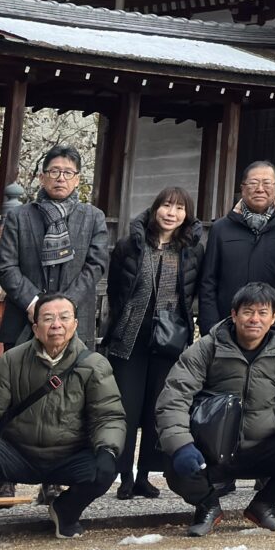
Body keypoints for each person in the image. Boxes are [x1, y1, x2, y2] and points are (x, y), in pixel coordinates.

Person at [0, 293, 124, 550]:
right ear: (35, 327)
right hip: (18, 453)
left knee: (107, 465)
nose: (56, 324)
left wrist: (107, 448)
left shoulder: (95, 365)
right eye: (48, 318)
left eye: (64, 318)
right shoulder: (13, 360)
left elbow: (108, 415)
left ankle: (65, 510)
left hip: (69, 454)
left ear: (75, 324)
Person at [154, 281, 275, 538]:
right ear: (234, 314)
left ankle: (264, 504)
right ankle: (207, 506)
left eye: (262, 312)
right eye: (247, 311)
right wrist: (181, 445)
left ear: (274, 317)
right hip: (213, 450)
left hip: (262, 446)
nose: (254, 319)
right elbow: (174, 396)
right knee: (172, 461)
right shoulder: (207, 348)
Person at [101, 185, 201, 499]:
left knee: (158, 408)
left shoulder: (192, 247)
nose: (172, 213)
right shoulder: (130, 244)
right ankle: (124, 476)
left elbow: (192, 291)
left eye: (179, 208)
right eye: (167, 206)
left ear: (187, 214)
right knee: (126, 408)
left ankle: (145, 474)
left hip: (170, 336)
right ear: (155, 208)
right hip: (130, 335)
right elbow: (116, 288)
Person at [0, 145, 110, 351]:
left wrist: (65, 307)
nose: (61, 178)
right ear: (42, 177)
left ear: (77, 179)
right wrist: (34, 305)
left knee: (72, 382)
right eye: (54, 171)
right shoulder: (19, 216)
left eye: (68, 173)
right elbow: (6, 267)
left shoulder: (93, 217)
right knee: (20, 381)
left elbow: (96, 266)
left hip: (74, 320)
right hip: (24, 317)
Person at [197, 160, 275, 329]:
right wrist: (211, 326)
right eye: (253, 183)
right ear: (242, 188)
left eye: (267, 183)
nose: (260, 189)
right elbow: (208, 282)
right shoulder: (221, 228)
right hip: (228, 325)